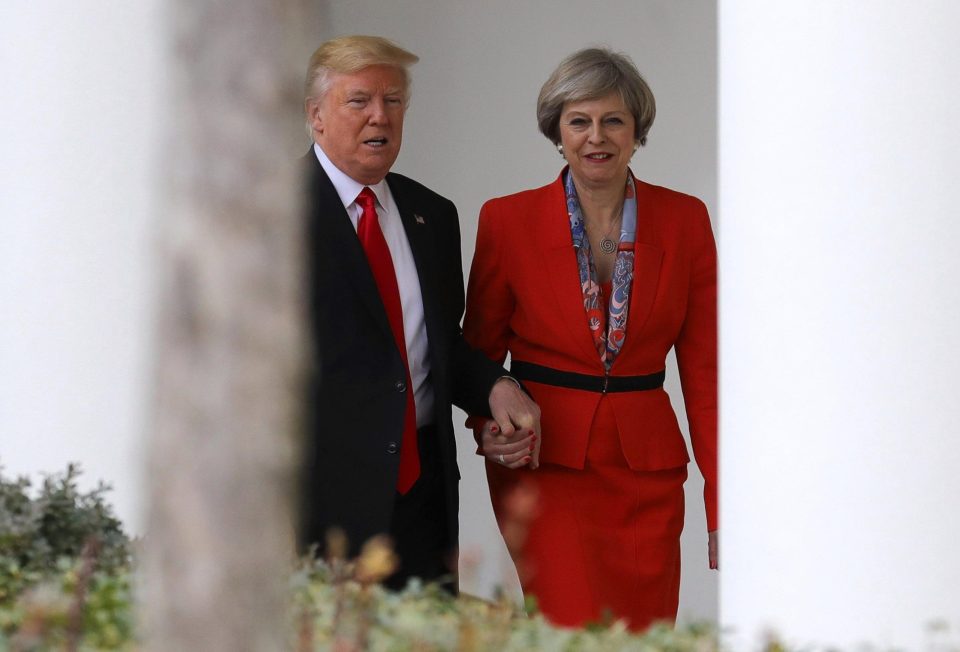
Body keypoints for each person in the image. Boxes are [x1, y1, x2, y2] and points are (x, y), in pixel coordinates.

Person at [463, 47, 717, 630]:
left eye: (614, 120)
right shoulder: (507, 220)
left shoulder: (686, 220)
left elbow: (708, 376)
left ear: (637, 131)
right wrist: (487, 430)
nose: (595, 137)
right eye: (579, 120)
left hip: (647, 477)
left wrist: (720, 502)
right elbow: (474, 355)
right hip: (547, 468)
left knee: (644, 637)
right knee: (567, 629)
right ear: (557, 129)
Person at [299, 35, 540, 590]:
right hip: (322, 509)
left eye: (393, 100)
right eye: (358, 101)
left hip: (423, 500)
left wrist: (496, 386)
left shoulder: (432, 214)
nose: (379, 116)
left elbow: (439, 342)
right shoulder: (275, 215)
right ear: (315, 115)